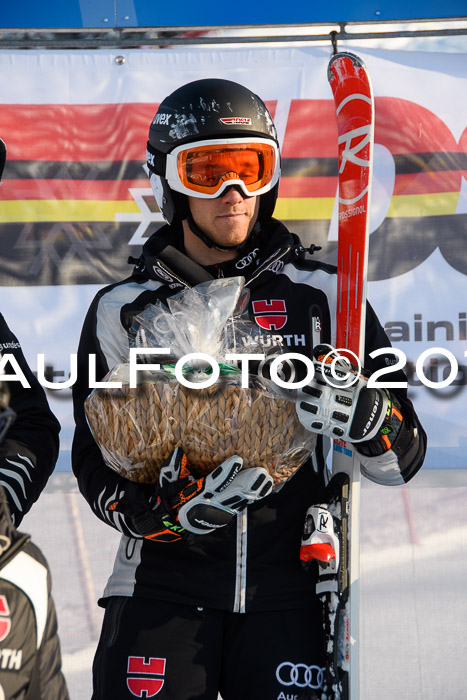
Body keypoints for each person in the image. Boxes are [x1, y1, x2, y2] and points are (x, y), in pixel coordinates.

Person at [72, 78, 426, 699]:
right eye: (208, 171)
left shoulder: (323, 297)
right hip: (162, 590)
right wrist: (156, 517)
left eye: (250, 168)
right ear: (168, 185)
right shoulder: (123, 309)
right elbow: (92, 458)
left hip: (290, 598)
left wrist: (375, 419)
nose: (234, 193)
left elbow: (403, 460)